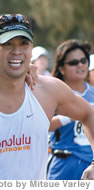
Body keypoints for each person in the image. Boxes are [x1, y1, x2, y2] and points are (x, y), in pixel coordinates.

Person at [0, 14, 94, 180]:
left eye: (24, 44)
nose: (17, 51)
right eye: (7, 44)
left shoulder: (50, 90)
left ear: (31, 48)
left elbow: (88, 114)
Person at [47, 39, 94, 179]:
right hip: (64, 163)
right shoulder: (52, 93)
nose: (80, 65)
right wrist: (72, 115)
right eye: (73, 62)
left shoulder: (93, 92)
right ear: (61, 68)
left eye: (83, 60)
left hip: (91, 164)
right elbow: (42, 124)